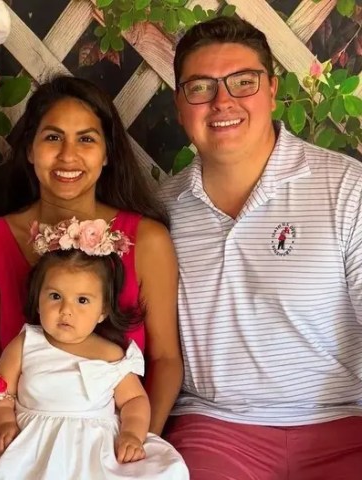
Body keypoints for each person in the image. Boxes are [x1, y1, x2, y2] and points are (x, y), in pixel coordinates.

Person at [159, 16, 362, 479]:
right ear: (179, 105)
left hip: (343, 422)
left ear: (272, 90)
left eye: (242, 82)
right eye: (200, 88)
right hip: (214, 428)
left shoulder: (347, 188)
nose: (222, 101)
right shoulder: (158, 211)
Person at [0, 76, 183, 439]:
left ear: (107, 153)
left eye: (86, 139)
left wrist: (141, 445)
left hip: (115, 442)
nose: (68, 155)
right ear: (31, 150)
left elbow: (166, 360)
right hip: (21, 441)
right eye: (53, 137)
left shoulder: (147, 241)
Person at [0, 218, 188, 479]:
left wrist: (131, 433)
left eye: (82, 300)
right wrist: (4, 422)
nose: (66, 310)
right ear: (38, 302)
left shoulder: (113, 355)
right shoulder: (27, 343)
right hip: (30, 444)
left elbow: (134, 400)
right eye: (55, 296)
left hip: (95, 448)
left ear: (102, 311)